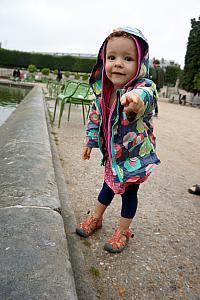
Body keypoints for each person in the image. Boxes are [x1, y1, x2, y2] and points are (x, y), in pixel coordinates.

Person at [76, 27, 160, 253]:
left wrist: (137, 100)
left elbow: (148, 95)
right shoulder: (103, 91)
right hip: (112, 157)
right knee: (106, 188)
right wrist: (90, 142)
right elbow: (95, 118)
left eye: (128, 58)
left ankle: (123, 230)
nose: (118, 63)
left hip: (133, 158)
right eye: (111, 57)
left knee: (130, 195)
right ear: (103, 61)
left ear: (141, 63)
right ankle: (96, 217)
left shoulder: (141, 88)